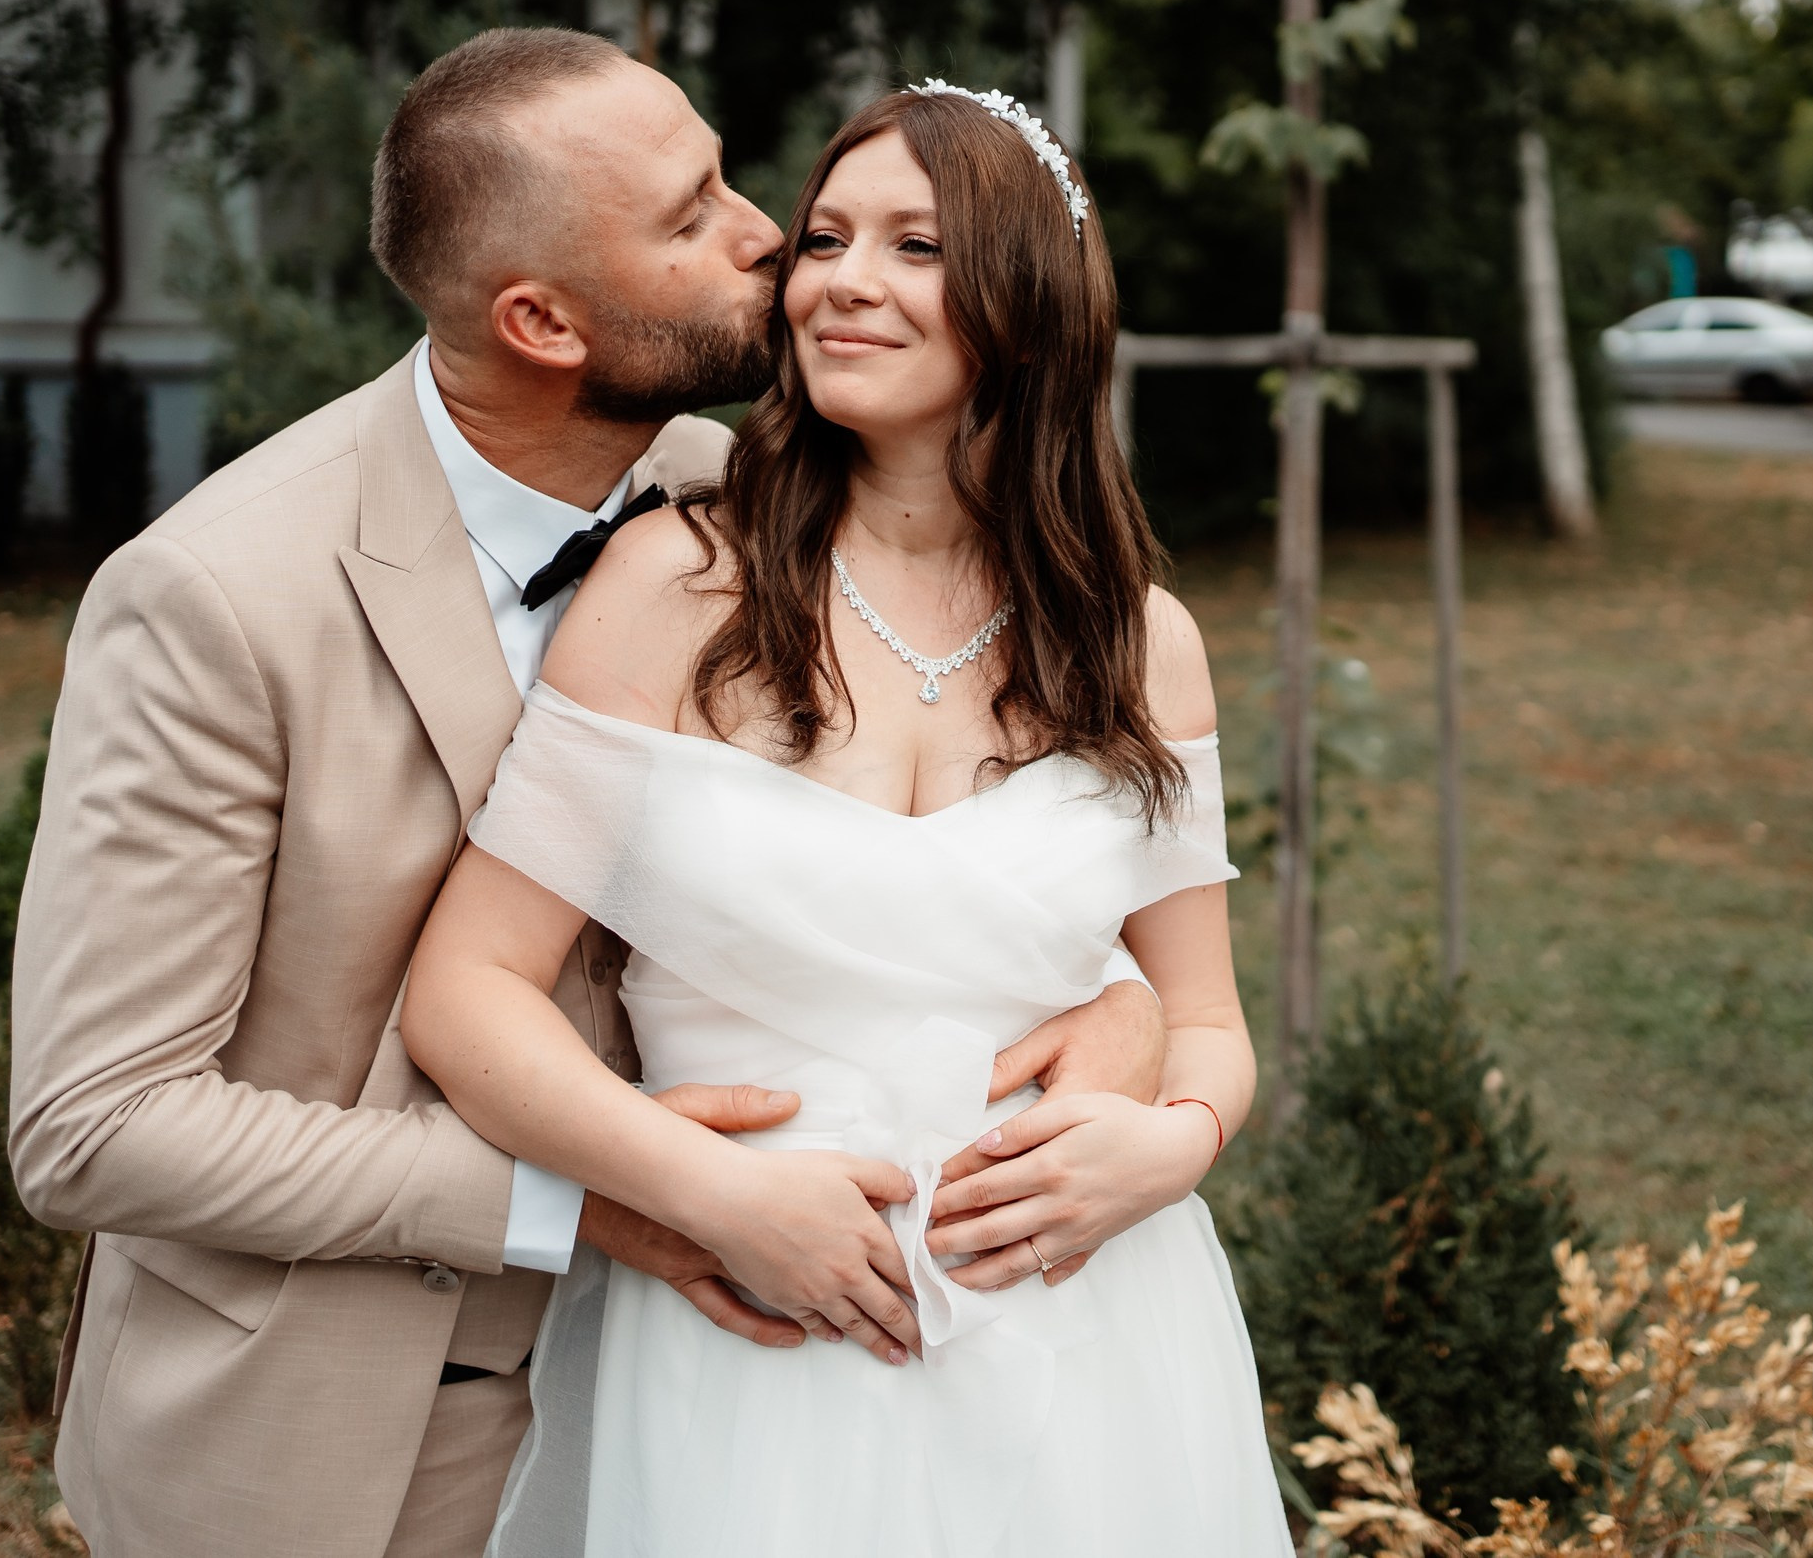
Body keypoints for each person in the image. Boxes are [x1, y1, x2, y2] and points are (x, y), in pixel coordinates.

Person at [8, 30, 1166, 1558]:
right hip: (351, 1429)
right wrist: (598, 1205)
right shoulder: (217, 599)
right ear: (544, 320)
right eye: (691, 220)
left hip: (751, 1392)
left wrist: (1133, 1006)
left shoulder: (747, 502)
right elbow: (97, 1126)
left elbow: (954, 823)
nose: (771, 235)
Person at [401, 83, 1291, 1556]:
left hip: (1094, 1343)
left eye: (917, 246)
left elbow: (1205, 1015)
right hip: (760, 1352)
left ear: (1029, 302)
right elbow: (466, 988)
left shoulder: (1141, 645)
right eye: (824, 237)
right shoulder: (677, 588)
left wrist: (1178, 1141)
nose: (841, 281)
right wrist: (703, 1194)